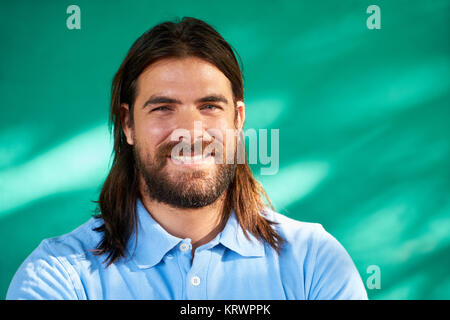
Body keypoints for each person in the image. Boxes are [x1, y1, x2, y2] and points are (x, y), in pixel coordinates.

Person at [7, 17, 367, 300]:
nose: (190, 132)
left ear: (238, 121)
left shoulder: (315, 263)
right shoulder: (58, 279)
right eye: (163, 108)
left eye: (209, 106)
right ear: (128, 125)